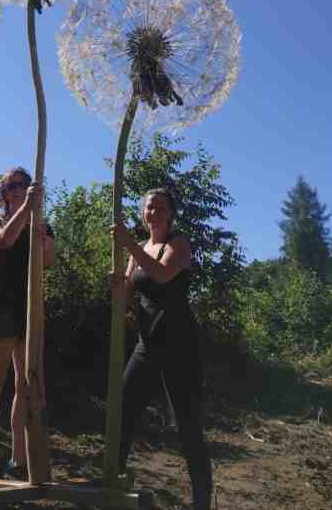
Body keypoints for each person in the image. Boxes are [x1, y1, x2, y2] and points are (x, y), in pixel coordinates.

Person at [111, 188, 213, 509]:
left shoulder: (179, 244)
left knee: (187, 427)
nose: (152, 212)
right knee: (123, 412)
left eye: (160, 208)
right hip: (147, 343)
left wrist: (127, 244)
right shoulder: (139, 248)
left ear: (171, 214)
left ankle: (201, 501)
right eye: (148, 207)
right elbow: (128, 297)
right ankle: (112, 484)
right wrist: (117, 288)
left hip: (179, 345)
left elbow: (162, 274)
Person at [0, 167, 55, 479]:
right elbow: (2, 241)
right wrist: (25, 211)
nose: (18, 190)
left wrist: (40, 231)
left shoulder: (41, 225)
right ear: (4, 192)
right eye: (13, 186)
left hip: (29, 306)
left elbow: (47, 261)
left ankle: (19, 462)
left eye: (23, 186)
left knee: (26, 384)